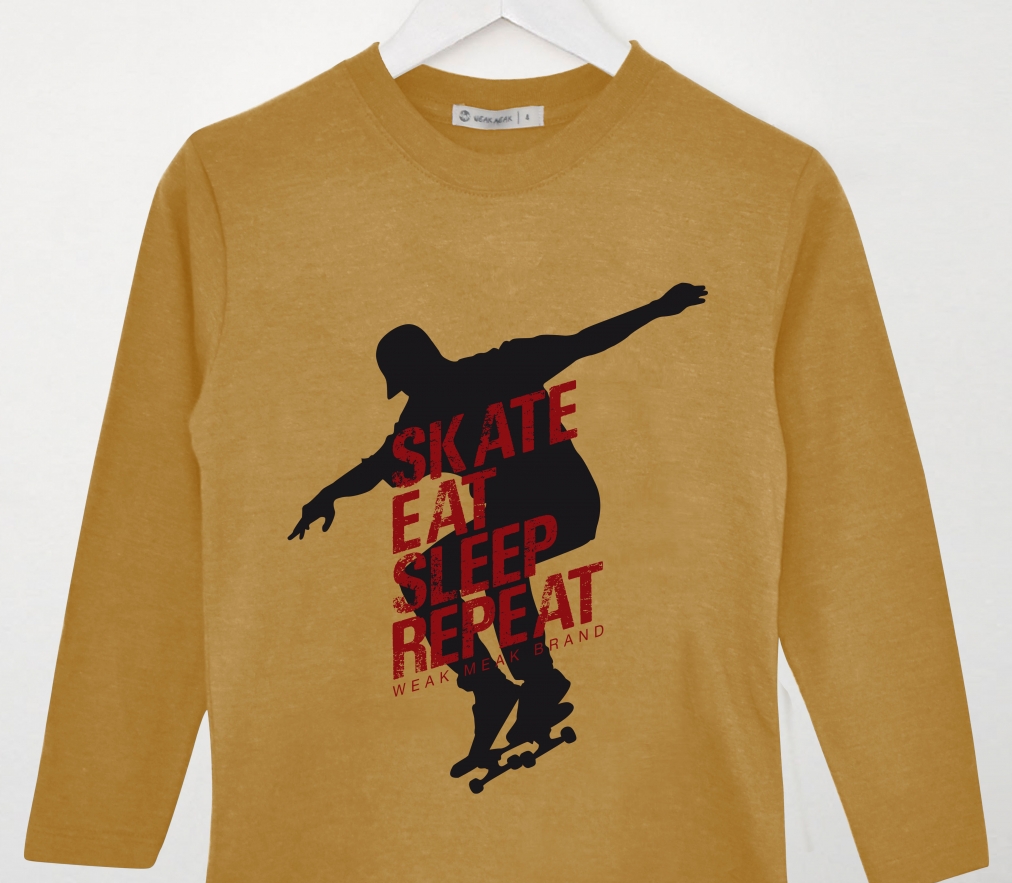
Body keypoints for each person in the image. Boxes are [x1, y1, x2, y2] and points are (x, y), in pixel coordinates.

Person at [289, 281, 707, 777]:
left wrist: (658, 308)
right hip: (512, 520)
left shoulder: (504, 365)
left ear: (422, 367)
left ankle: (531, 682)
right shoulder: (420, 419)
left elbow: (585, 342)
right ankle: (496, 686)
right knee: (424, 576)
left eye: (409, 383)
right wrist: (328, 494)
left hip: (567, 505)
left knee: (496, 554)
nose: (410, 398)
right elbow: (377, 466)